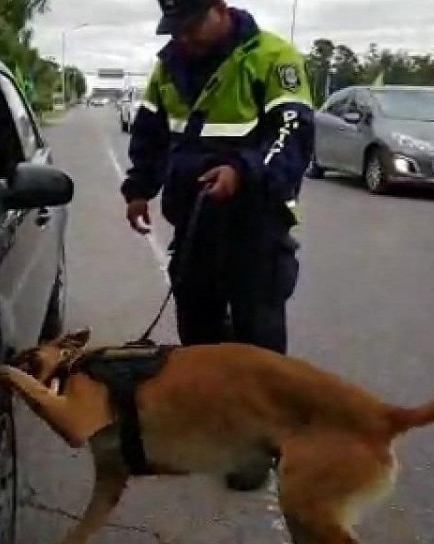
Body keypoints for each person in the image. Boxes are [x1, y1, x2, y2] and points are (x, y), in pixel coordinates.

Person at [120, 0, 315, 491]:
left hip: (256, 227)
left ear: (220, 8)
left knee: (257, 341)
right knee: (199, 335)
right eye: (176, 26)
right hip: (196, 224)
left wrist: (243, 171)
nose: (184, 36)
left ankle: (259, 447)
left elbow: (292, 136)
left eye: (192, 23)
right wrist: (138, 189)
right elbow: (151, 133)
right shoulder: (169, 68)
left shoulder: (273, 58)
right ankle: (217, 429)